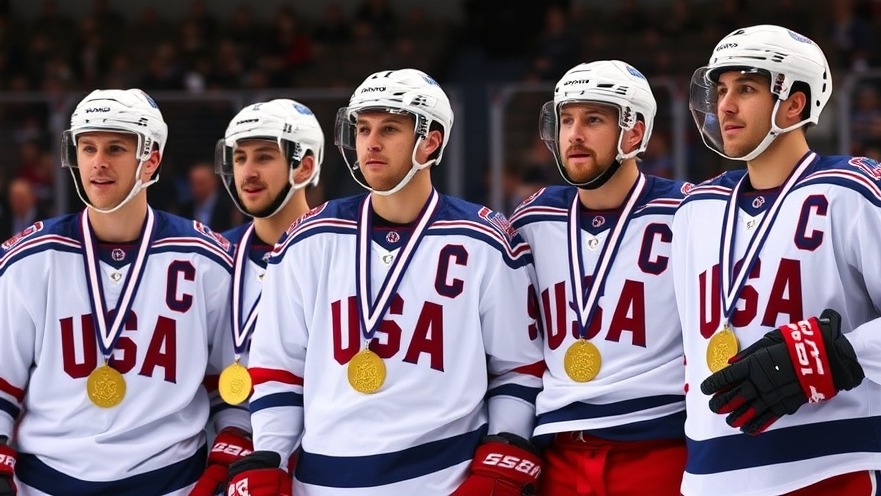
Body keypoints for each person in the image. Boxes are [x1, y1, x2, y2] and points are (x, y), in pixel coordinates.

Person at [224, 68, 545, 495]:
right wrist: (272, 457)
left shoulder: (484, 239)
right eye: (363, 128)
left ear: (430, 141)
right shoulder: (307, 238)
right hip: (320, 483)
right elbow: (280, 369)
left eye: (389, 128)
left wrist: (503, 448)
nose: (370, 143)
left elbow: (518, 367)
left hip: (442, 479)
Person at [0, 88, 249, 495]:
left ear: (151, 159)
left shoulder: (208, 260)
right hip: (45, 483)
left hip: (173, 482)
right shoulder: (29, 259)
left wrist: (230, 452)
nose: (98, 162)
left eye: (115, 148)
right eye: (88, 148)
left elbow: (232, 383)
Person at [674, 25, 881, 495]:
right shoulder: (694, 209)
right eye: (721, 89)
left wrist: (837, 354)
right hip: (709, 474)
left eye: (745, 88)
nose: (724, 105)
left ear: (795, 103)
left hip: (830, 467)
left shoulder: (852, 191)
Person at [510, 60, 689, 495]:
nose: (574, 134)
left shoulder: (690, 213)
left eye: (593, 119)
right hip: (558, 453)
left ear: (635, 131)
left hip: (660, 446)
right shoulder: (533, 218)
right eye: (566, 119)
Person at [189, 98, 325, 495]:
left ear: (305, 166)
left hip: (317, 461)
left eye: (264, 157)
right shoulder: (211, 257)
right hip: (223, 454)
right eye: (240, 157)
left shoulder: (343, 253)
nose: (247, 172)